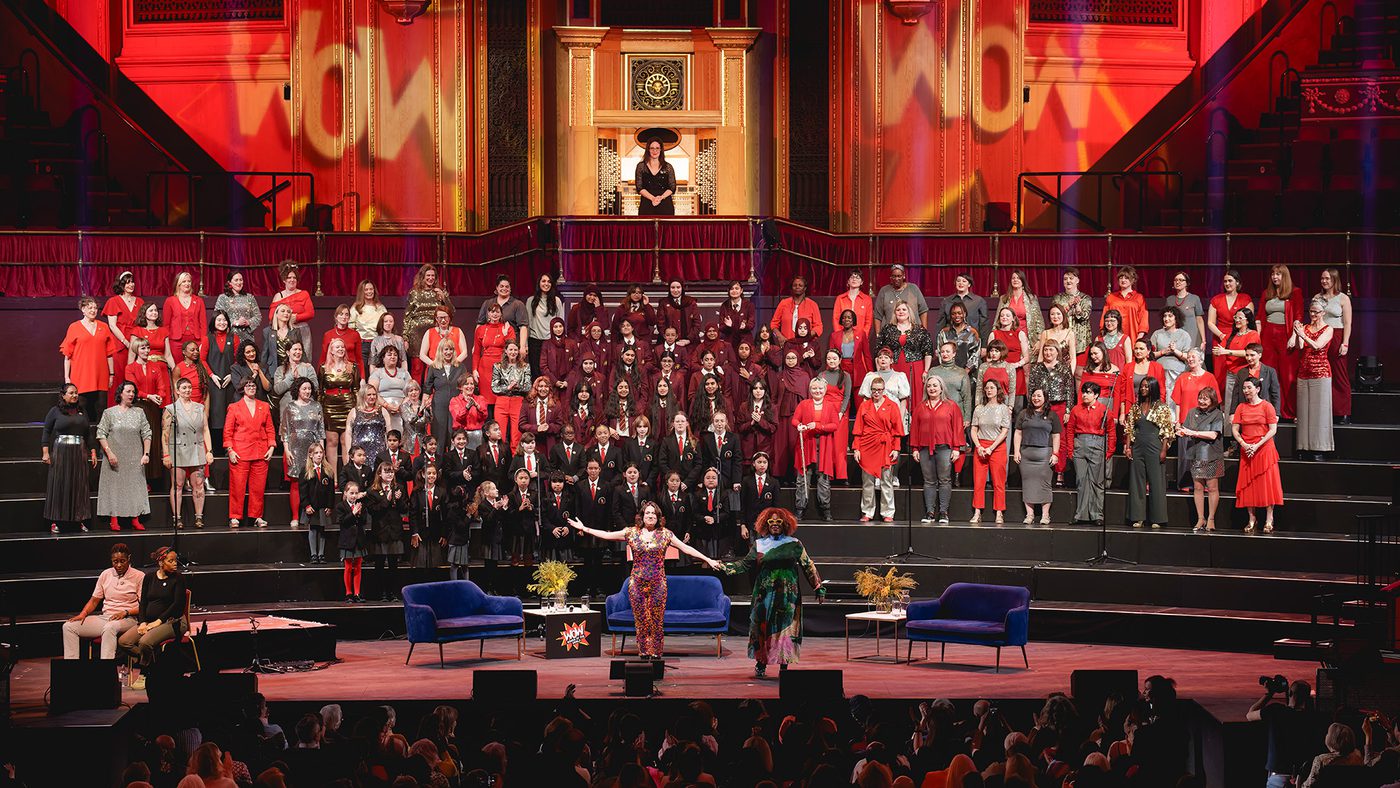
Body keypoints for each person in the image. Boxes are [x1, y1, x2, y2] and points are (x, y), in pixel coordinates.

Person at [567, 501, 722, 659]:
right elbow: (607, 535)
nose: (650, 516)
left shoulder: (666, 534)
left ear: (658, 517)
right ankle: (644, 653)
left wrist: (708, 559)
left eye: (653, 513)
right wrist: (584, 528)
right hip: (637, 584)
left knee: (656, 620)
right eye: (647, 513)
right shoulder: (631, 533)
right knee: (641, 620)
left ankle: (656, 654)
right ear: (641, 516)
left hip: (658, 583)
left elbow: (685, 548)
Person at [716, 507, 825, 678]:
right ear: (766, 524)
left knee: (786, 629)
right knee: (763, 627)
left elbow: (807, 565)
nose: (775, 524)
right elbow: (744, 565)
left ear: (785, 524)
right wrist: (723, 566)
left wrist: (818, 586)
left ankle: (784, 665)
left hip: (788, 595)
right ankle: (761, 663)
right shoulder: (759, 544)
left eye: (778, 521)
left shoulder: (795, 544)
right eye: (771, 521)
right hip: (765, 594)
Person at [118, 546, 188, 688]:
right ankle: (153, 664)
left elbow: (176, 605)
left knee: (144, 642)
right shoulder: (149, 577)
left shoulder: (179, 578)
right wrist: (143, 622)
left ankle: (145, 673)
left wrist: (158, 622)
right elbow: (143, 602)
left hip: (173, 621)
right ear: (161, 563)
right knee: (124, 641)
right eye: (171, 561)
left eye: (176, 560)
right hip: (149, 621)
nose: (175, 564)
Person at [63, 543, 143, 659]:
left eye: (122, 561)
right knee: (69, 627)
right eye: (115, 562)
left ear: (129, 558)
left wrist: (126, 612)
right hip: (106, 618)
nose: (119, 565)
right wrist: (83, 614)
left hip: (128, 619)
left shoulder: (139, 576)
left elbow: (144, 606)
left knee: (110, 627)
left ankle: (106, 668)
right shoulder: (106, 574)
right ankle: (71, 667)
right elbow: (94, 601)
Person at [1247, 678, 1326, 788]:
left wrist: (1269, 694)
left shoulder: (1275, 711)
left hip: (1278, 777)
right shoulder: (1315, 718)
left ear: (1290, 693)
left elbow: (1250, 715)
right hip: (1304, 776)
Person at [96, 382, 153, 532]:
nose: (131, 394)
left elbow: (147, 433)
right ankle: (114, 518)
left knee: (134, 486)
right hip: (114, 456)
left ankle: (135, 518)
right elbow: (101, 433)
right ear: (120, 393)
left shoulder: (139, 412)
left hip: (134, 456)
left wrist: (146, 454)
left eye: (133, 392)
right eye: (128, 391)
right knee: (114, 487)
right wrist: (109, 452)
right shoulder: (109, 413)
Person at [44, 384, 97, 534]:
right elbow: (46, 431)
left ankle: (79, 520)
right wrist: (45, 452)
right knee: (60, 485)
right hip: (61, 451)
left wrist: (93, 451)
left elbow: (88, 433)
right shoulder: (55, 411)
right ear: (63, 395)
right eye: (71, 393)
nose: (75, 395)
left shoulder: (82, 411)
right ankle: (56, 521)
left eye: (76, 393)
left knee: (79, 486)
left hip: (79, 452)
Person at [911, 375, 964, 524]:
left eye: (935, 385)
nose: (932, 388)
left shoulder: (951, 405)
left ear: (941, 388)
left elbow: (957, 427)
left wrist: (956, 448)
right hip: (925, 448)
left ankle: (943, 512)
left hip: (944, 448)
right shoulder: (920, 407)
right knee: (928, 481)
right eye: (929, 386)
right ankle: (929, 512)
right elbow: (915, 428)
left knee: (944, 480)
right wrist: (915, 448)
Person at [853, 377, 905, 523]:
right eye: (874, 390)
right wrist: (856, 448)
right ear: (871, 390)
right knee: (867, 482)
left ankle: (888, 512)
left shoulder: (892, 405)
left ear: (884, 390)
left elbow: (897, 430)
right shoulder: (865, 406)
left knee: (886, 480)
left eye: (879, 390)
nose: (876, 392)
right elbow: (858, 429)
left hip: (885, 446)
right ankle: (867, 511)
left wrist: (896, 448)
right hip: (867, 446)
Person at [163, 378, 212, 529]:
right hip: (178, 450)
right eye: (184, 388)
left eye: (189, 387)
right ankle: (177, 518)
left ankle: (199, 517)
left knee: (198, 484)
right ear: (177, 391)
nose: (187, 390)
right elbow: (165, 434)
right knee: (177, 485)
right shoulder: (171, 409)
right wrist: (166, 454)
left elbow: (205, 429)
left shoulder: (199, 408)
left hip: (197, 449)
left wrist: (209, 450)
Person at [226, 378, 275, 528]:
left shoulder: (264, 406)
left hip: (261, 452)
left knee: (258, 488)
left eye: (253, 385)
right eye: (248, 385)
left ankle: (257, 516)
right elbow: (228, 431)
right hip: (240, 452)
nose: (251, 388)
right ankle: (235, 516)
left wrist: (271, 447)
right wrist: (230, 450)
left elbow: (270, 429)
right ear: (242, 388)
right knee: (237, 486)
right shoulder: (234, 407)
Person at [1065, 381, 1117, 525]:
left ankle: (1097, 515)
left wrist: (1110, 451)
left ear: (1096, 395)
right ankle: (1081, 514)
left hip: (1097, 444)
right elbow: (1070, 430)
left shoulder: (1104, 410)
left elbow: (1111, 432)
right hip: (1080, 444)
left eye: (1088, 392)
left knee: (1097, 481)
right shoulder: (1076, 409)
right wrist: (1070, 449)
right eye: (1084, 392)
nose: (1085, 395)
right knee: (1081, 481)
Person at [1126, 377, 1174, 529]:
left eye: (1147, 386)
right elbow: (1130, 428)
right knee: (1137, 482)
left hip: (1154, 445)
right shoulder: (1136, 406)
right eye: (1142, 386)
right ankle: (1138, 517)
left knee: (1156, 481)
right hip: (1138, 445)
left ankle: (1157, 518)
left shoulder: (1161, 407)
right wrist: (1128, 447)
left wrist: (1164, 449)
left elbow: (1167, 430)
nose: (1143, 389)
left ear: (1153, 388)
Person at [61, 296, 119, 421]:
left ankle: (101, 433)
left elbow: (109, 354)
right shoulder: (74, 327)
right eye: (89, 308)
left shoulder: (104, 327)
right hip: (81, 374)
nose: (93, 310)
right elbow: (67, 355)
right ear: (83, 309)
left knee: (101, 408)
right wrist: (67, 377)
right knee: (82, 408)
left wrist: (111, 374)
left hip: (100, 374)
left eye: (95, 308)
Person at [1291, 298, 1335, 459]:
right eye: (1311, 311)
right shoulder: (1305, 327)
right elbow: (1299, 346)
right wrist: (1297, 333)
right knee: (1303, 412)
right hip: (1304, 372)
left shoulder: (1328, 329)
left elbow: (1317, 346)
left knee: (1319, 412)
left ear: (1323, 312)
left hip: (1320, 373)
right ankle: (1304, 447)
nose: (1313, 314)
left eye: (1316, 312)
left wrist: (1303, 334)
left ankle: (1319, 448)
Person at [792, 378, 840, 521]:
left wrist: (819, 426)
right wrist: (799, 425)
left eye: (820, 388)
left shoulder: (830, 406)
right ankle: (800, 508)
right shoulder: (804, 404)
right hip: (807, 444)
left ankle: (826, 509)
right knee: (802, 478)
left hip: (823, 446)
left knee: (823, 479)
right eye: (814, 388)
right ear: (810, 389)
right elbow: (795, 420)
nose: (817, 391)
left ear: (825, 390)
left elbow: (835, 425)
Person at [1176, 386, 1224, 532]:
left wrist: (1193, 433)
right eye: (1200, 398)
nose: (1201, 401)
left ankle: (1211, 519)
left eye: (1205, 399)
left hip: (1211, 455)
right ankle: (1200, 518)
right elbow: (1185, 429)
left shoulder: (1217, 414)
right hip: (1196, 454)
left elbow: (1213, 435)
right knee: (1198, 487)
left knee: (1212, 488)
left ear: (1212, 400)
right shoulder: (1192, 412)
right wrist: (1181, 431)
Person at [1025, 342, 1074, 484]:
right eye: (1045, 350)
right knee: (1042, 437)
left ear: (1057, 351)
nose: (1048, 353)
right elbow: (1031, 389)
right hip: (1041, 406)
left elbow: (1070, 390)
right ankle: (1042, 470)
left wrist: (1068, 410)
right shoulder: (1037, 368)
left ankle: (1060, 471)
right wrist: (1031, 408)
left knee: (1060, 439)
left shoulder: (1064, 368)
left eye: (1051, 350)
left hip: (1059, 405)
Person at [282, 377, 326, 530]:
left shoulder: (317, 406)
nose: (307, 391)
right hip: (295, 448)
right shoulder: (290, 407)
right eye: (304, 389)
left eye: (309, 388)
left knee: (314, 481)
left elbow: (321, 430)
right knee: (296, 482)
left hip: (312, 448)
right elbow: (285, 430)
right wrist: (287, 450)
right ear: (298, 390)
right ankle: (295, 517)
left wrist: (321, 450)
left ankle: (312, 516)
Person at [1014, 388, 1060, 525]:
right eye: (1034, 396)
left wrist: (1055, 453)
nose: (1036, 398)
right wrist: (1016, 451)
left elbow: (1056, 436)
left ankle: (1045, 515)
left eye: (1039, 396)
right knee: (1027, 483)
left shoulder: (1052, 415)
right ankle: (1030, 515)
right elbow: (1018, 433)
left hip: (1045, 454)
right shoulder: (1024, 414)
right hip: (1026, 454)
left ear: (1045, 398)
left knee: (1045, 484)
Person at [969, 379, 1011, 524]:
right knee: (978, 481)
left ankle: (999, 512)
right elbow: (974, 429)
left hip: (997, 447)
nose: (989, 390)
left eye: (992, 388)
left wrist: (991, 448)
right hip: (981, 446)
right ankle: (977, 512)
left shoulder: (1003, 408)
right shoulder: (979, 408)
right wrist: (978, 446)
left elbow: (1005, 431)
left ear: (997, 390)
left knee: (998, 481)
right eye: (987, 388)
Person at [366, 461, 407, 601]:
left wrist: (399, 500)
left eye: (391, 472)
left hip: (394, 531)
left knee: (393, 565)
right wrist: (387, 500)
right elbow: (373, 511)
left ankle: (392, 593)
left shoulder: (399, 488)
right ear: (379, 473)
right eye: (386, 471)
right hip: (380, 532)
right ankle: (382, 593)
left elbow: (404, 509)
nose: (389, 474)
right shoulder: (372, 491)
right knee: (380, 564)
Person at [1317, 268, 1353, 422]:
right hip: (1320, 336)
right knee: (1321, 374)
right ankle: (1324, 411)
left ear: (1334, 280)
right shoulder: (1317, 298)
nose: (1324, 281)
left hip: (1337, 336)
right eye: (1322, 278)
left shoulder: (1343, 298)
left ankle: (1342, 412)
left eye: (1327, 279)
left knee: (1339, 374)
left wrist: (1345, 343)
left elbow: (1347, 323)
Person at [319, 337, 357, 481]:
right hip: (329, 407)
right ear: (331, 351)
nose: (340, 349)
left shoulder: (352, 367)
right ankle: (333, 478)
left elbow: (356, 389)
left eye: (342, 347)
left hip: (348, 406)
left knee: (345, 441)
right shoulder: (323, 368)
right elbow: (320, 391)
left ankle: (347, 478)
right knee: (332, 441)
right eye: (337, 347)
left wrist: (356, 409)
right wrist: (320, 410)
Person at [103, 271, 143, 406]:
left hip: (136, 343)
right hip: (119, 344)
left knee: (134, 376)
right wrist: (126, 342)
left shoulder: (140, 302)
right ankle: (115, 409)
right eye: (127, 282)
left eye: (132, 282)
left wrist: (135, 344)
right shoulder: (113, 301)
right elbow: (112, 325)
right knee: (118, 377)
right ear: (121, 284)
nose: (131, 285)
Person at [1214, 306, 1261, 417]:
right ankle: (1229, 427)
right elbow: (1221, 348)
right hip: (1231, 374)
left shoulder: (1253, 334)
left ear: (1247, 320)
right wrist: (1218, 351)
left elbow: (1248, 353)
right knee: (1230, 404)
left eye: (1240, 318)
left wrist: (1226, 352)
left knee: (1245, 401)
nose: (1237, 320)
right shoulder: (1232, 335)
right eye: (1235, 317)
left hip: (1246, 373)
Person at [424, 339, 467, 452]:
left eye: (451, 349)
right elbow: (427, 388)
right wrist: (423, 404)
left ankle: (454, 461)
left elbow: (465, 385)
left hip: (456, 407)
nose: (448, 352)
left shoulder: (460, 367)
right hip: (439, 406)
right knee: (439, 435)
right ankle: (438, 461)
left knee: (454, 434)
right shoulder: (433, 367)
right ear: (441, 351)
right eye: (446, 349)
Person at [204, 311, 237, 451]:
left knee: (228, 413)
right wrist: (212, 375)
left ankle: (228, 447)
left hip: (229, 381)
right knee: (215, 413)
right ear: (213, 322)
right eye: (219, 320)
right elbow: (202, 360)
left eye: (224, 320)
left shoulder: (234, 338)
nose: (222, 323)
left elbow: (237, 359)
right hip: (214, 381)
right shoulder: (208, 338)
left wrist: (232, 374)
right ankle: (215, 448)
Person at [408, 463, 449, 570]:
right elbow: (413, 514)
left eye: (434, 473)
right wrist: (414, 533)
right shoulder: (416, 492)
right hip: (421, 535)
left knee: (435, 567)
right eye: (429, 473)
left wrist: (444, 534)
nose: (431, 476)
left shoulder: (442, 492)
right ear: (423, 474)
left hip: (436, 535)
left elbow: (446, 515)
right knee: (421, 568)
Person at [299, 443, 335, 562]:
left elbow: (330, 491)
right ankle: (313, 554)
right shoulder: (305, 471)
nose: (319, 455)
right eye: (316, 453)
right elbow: (303, 491)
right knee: (313, 529)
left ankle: (321, 554)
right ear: (311, 455)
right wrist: (307, 505)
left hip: (323, 506)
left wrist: (329, 506)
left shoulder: (328, 470)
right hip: (312, 506)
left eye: (321, 452)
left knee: (322, 529)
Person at [1149, 306, 1192, 407]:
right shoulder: (1157, 334)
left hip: (1177, 372)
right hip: (1159, 370)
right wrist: (1163, 352)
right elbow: (1149, 354)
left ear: (1176, 318)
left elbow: (1188, 356)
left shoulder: (1184, 335)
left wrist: (1175, 351)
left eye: (1170, 316)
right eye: (1165, 316)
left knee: (1173, 398)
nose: (1166, 318)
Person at [989, 306, 1030, 408]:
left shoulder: (1020, 334)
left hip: (1016, 372)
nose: (1004, 317)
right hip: (999, 373)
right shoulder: (994, 334)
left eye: (1007, 315)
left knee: (1017, 407)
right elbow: (989, 357)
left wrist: (1016, 365)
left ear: (1013, 318)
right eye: (1002, 315)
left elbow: (1026, 357)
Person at [1051, 268, 1093, 368]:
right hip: (1061, 340)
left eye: (1071, 278)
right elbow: (1055, 314)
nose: (1068, 281)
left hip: (1080, 342)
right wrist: (1069, 305)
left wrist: (1078, 307)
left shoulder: (1085, 298)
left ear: (1077, 280)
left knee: (1079, 372)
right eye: (1065, 279)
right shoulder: (1058, 298)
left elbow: (1085, 316)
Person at [336, 481, 370, 603]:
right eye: (351, 493)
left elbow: (364, 521)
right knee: (348, 567)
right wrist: (353, 513)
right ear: (345, 493)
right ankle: (348, 593)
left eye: (356, 493)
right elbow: (342, 521)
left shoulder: (361, 505)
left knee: (358, 567)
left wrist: (359, 514)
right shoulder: (341, 506)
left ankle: (357, 593)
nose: (354, 496)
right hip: (347, 541)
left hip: (359, 540)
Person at [1300, 724, 1363, 788]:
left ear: (1333, 739)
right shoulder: (1357, 756)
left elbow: (1309, 785)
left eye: (1328, 733)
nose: (1326, 735)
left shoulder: (1321, 760)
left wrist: (1300, 784)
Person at [162, 271, 206, 361]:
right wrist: (166, 343)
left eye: (189, 281)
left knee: (195, 367)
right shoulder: (170, 301)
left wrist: (203, 342)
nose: (187, 284)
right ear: (178, 284)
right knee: (178, 367)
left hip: (195, 340)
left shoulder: (199, 301)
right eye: (184, 281)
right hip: (176, 341)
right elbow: (166, 325)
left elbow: (203, 324)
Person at [874, 263, 929, 334]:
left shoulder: (913, 289)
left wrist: (924, 331)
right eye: (894, 276)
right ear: (891, 277)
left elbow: (923, 311)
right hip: (890, 335)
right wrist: (878, 335)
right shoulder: (884, 291)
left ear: (904, 276)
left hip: (913, 334)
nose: (896, 279)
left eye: (899, 276)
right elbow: (877, 316)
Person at [344, 385, 388, 472]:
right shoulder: (354, 412)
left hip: (379, 451)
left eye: (374, 394)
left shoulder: (382, 411)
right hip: (359, 453)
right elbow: (348, 433)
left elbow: (388, 431)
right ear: (363, 395)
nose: (372, 397)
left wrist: (388, 451)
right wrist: (349, 452)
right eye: (369, 394)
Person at [369, 344, 411, 436]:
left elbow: (411, 391)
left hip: (402, 408)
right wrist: (386, 405)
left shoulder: (404, 373)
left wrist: (401, 406)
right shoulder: (377, 372)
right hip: (382, 407)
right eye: (389, 354)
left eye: (395, 355)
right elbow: (372, 392)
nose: (393, 357)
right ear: (383, 358)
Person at [997, 270, 1044, 349]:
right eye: (1013, 278)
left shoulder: (1031, 298)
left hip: (1027, 338)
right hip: (1007, 337)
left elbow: (1039, 321)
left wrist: (1039, 340)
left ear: (1023, 281)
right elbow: (997, 320)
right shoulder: (1004, 298)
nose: (1015, 280)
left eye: (1018, 278)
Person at [261, 302, 312, 374]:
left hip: (292, 368)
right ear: (276, 314)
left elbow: (301, 350)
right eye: (283, 311)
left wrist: (306, 363)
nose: (286, 313)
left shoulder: (295, 331)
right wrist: (262, 370)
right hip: (274, 368)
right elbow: (265, 353)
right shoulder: (267, 331)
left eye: (288, 312)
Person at [319, 304, 366, 379]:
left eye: (346, 315)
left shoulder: (355, 334)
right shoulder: (328, 335)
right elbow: (323, 358)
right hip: (332, 373)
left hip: (350, 372)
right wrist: (319, 377)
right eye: (341, 314)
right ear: (336, 317)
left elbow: (359, 359)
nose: (344, 317)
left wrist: (362, 378)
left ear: (349, 317)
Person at [1102, 266, 1148, 341]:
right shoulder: (1111, 297)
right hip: (1113, 336)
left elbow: (1143, 318)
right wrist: (1103, 333)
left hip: (1133, 335)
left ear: (1133, 280)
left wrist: (1140, 337)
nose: (1123, 280)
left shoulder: (1139, 297)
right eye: (1121, 278)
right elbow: (1104, 316)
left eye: (1126, 278)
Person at [1165, 270, 1207, 353]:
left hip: (1193, 336)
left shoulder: (1194, 298)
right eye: (1176, 280)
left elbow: (1199, 320)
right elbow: (1166, 320)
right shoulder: (1170, 300)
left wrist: (1203, 340)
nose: (1178, 282)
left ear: (1187, 283)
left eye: (1181, 280)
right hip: (1175, 337)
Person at [770, 275, 823, 340]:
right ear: (791, 287)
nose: (797, 287)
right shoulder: (783, 303)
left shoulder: (812, 304)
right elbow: (774, 324)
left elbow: (818, 326)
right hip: (786, 343)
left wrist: (807, 336)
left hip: (806, 343)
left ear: (805, 288)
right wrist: (779, 336)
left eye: (800, 285)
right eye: (795, 285)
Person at [938, 271, 988, 338]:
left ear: (969, 284)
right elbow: (940, 324)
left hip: (971, 339)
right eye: (958, 281)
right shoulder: (946, 301)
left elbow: (984, 325)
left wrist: (983, 343)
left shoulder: (978, 301)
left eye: (964, 281)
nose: (961, 283)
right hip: (950, 339)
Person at [349, 279, 387, 366]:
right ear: (361, 292)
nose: (369, 292)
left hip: (378, 344)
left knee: (377, 370)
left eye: (371, 289)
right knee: (363, 370)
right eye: (366, 290)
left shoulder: (380, 308)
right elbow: (351, 328)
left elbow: (386, 326)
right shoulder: (356, 308)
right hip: (362, 345)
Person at [273, 340, 318, 413]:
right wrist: (291, 377)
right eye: (295, 349)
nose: (298, 352)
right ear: (288, 352)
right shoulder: (280, 369)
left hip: (306, 407)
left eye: (300, 349)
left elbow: (315, 386)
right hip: (287, 407)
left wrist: (302, 382)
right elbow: (278, 390)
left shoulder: (308, 367)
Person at [635, 138, 677, 215]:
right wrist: (652, 198)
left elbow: (672, 187)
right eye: (652, 148)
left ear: (661, 150)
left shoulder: (668, 167)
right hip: (646, 204)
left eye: (657, 148)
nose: (655, 151)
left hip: (665, 204)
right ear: (648, 150)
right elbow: (639, 187)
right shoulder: (641, 166)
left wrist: (660, 198)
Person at [832, 269, 874, 336]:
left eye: (857, 278)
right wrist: (840, 336)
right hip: (842, 336)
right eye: (852, 277)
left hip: (860, 337)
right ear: (848, 281)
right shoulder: (840, 298)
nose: (854, 279)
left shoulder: (867, 299)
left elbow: (868, 322)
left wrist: (863, 336)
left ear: (861, 282)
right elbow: (836, 319)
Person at [369, 312, 408, 379]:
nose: (388, 323)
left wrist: (404, 377)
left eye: (391, 321)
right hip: (381, 375)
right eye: (386, 321)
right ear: (382, 323)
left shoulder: (399, 340)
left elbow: (403, 361)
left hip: (397, 374)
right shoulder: (376, 341)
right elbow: (372, 363)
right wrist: (373, 378)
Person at [717, 280, 756, 346]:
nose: (734, 291)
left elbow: (751, 324)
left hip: (745, 342)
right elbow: (721, 327)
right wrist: (728, 326)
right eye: (732, 289)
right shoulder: (724, 306)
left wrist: (745, 326)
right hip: (729, 342)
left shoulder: (749, 305)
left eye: (737, 288)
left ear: (741, 290)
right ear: (728, 291)